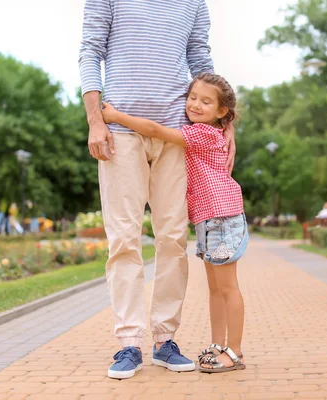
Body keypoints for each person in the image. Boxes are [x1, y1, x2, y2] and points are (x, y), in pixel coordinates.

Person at [78, 0, 236, 379]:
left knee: (172, 239)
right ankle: (129, 343)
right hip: (119, 133)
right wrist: (95, 121)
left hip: (176, 135)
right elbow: (90, 50)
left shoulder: (194, 2)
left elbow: (200, 58)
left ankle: (165, 340)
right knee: (124, 240)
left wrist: (224, 121)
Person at [102, 72, 248, 374]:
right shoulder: (200, 129)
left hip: (222, 219)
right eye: (192, 97)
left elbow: (154, 129)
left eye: (206, 102)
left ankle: (234, 352)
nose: (195, 105)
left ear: (222, 112)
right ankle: (217, 346)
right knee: (215, 290)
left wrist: (115, 115)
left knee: (228, 288)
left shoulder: (201, 133)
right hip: (209, 220)